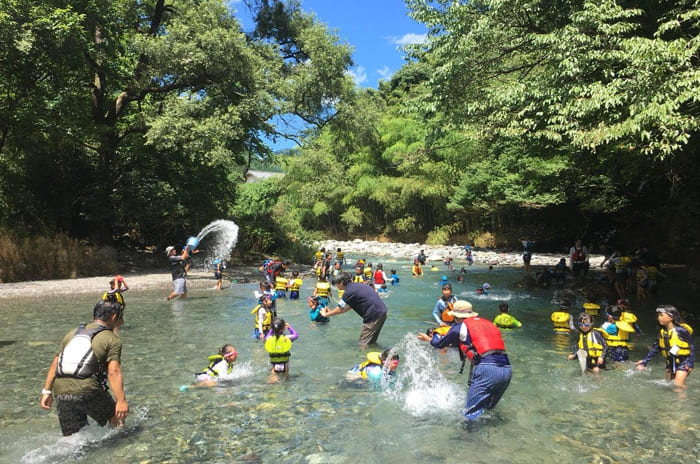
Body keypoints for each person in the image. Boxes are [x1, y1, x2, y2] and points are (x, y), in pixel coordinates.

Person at [40, 300, 128, 436]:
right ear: (114, 317)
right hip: (86, 388)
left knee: (73, 438)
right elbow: (113, 371)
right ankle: (121, 452)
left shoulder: (72, 333)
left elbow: (55, 364)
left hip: (61, 391)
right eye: (121, 317)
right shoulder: (112, 339)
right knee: (117, 418)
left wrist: (46, 391)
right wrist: (121, 401)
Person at [417, 300, 511, 422]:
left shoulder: (460, 327)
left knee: (470, 415)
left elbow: (439, 344)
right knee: (488, 411)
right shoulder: (489, 323)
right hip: (506, 369)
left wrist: (430, 338)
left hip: (487, 369)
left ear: (456, 316)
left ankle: (466, 440)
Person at [636, 305, 695, 391]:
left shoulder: (681, 331)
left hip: (683, 362)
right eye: (658, 315)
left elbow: (691, 347)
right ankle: (671, 403)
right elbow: (655, 348)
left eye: (661, 315)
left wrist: (690, 363)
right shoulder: (662, 333)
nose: (659, 317)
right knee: (669, 385)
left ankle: (681, 402)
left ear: (671, 317)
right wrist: (645, 361)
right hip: (670, 362)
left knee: (678, 385)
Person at [321, 273, 388, 348]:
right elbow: (346, 308)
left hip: (373, 316)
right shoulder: (357, 286)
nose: (336, 286)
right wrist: (331, 312)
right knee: (371, 343)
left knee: (363, 343)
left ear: (341, 283)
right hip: (382, 311)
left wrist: (326, 314)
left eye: (336, 283)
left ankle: (364, 357)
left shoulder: (348, 292)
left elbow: (339, 309)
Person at [265, 318, 299, 383]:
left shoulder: (269, 339)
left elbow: (267, 336)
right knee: (285, 379)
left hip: (274, 365)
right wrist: (289, 328)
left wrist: (273, 328)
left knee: (273, 375)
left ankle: (271, 381)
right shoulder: (286, 338)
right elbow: (296, 335)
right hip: (285, 364)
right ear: (283, 328)